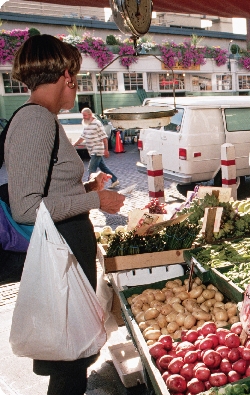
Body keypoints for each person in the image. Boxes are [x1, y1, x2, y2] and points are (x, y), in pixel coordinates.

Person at [5, 34, 125, 395]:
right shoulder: (36, 120)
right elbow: (25, 207)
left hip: (67, 252)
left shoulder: (43, 119)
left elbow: (49, 191)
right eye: (76, 77)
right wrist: (96, 202)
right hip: (61, 258)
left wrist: (87, 189)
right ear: (67, 76)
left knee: (74, 359)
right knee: (70, 366)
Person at [74, 108, 120, 188]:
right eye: (83, 115)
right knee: (103, 167)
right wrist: (73, 145)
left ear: (90, 115)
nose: (83, 117)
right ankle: (115, 179)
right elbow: (82, 137)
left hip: (97, 150)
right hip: (91, 151)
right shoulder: (86, 124)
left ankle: (90, 187)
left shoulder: (97, 123)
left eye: (85, 115)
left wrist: (106, 150)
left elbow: (104, 138)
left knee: (91, 169)